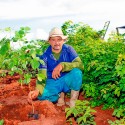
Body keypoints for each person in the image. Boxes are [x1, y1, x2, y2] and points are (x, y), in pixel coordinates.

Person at [28, 27, 84, 107]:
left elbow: (80, 65)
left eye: (59, 39)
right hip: (53, 81)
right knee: (41, 95)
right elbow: (42, 74)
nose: (56, 43)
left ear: (63, 41)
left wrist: (62, 65)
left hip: (66, 80)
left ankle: (73, 101)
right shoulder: (44, 55)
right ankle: (59, 96)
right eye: (53, 40)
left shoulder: (69, 49)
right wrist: (37, 90)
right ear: (49, 41)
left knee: (77, 72)